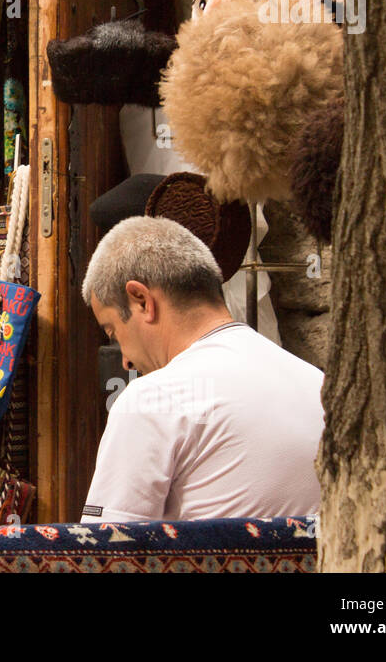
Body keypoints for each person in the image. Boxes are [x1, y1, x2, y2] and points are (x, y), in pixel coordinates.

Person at [79, 216, 324, 522]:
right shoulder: (319, 385)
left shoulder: (152, 400)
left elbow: (104, 553)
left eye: (113, 331)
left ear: (142, 300)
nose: (125, 360)